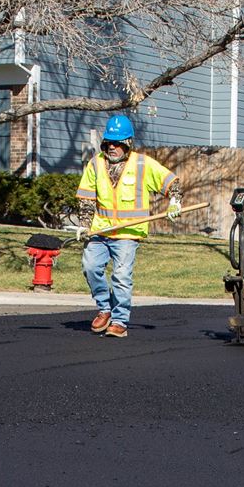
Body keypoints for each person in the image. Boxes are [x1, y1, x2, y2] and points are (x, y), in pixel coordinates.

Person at [74, 115, 177, 339]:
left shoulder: (143, 164)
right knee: (90, 267)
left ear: (128, 143)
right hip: (100, 230)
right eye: (109, 142)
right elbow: (86, 199)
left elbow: (172, 183)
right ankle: (104, 308)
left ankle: (119, 320)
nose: (112, 146)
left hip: (128, 233)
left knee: (120, 276)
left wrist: (175, 202)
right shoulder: (95, 164)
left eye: (118, 142)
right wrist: (84, 225)